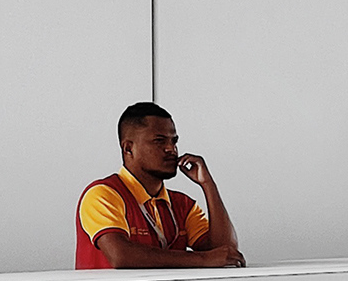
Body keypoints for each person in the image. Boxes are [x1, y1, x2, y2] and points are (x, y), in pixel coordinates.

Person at [75, 101, 245, 270]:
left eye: (174, 141)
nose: (171, 149)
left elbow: (226, 255)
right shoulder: (102, 194)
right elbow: (121, 256)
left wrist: (208, 186)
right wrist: (203, 259)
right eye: (159, 141)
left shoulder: (183, 204)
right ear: (128, 148)